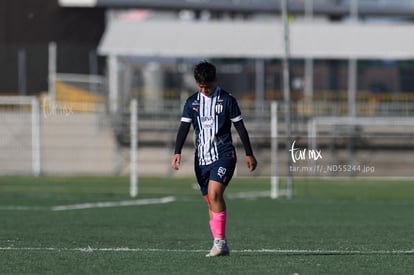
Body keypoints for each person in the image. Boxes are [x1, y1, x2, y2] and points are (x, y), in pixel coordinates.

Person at [171, 61, 258, 257]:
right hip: (201, 159)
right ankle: (219, 244)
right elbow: (184, 127)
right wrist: (177, 151)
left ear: (215, 81)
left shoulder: (227, 100)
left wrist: (249, 153)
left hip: (224, 155)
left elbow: (240, 128)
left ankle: (220, 243)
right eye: (201, 86)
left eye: (208, 86)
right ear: (196, 83)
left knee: (215, 194)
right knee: (210, 202)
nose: (205, 90)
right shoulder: (191, 102)